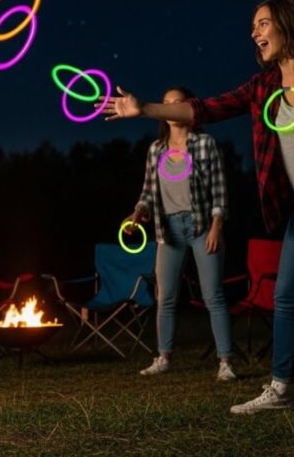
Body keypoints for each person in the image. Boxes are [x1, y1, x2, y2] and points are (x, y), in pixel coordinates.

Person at [100, 0, 294, 428]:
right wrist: (145, 109)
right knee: (285, 295)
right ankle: (281, 389)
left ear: (288, 24)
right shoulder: (263, 87)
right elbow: (205, 108)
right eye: (253, 26)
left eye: (263, 23)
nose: (254, 32)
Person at [126, 86, 236, 382]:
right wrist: (138, 212)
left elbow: (219, 191)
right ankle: (163, 357)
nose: (171, 108)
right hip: (168, 230)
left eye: (177, 103)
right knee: (166, 297)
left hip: (201, 226)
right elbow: (148, 192)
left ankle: (225, 362)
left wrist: (216, 226)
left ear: (189, 107)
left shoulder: (205, 144)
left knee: (213, 295)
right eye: (166, 104)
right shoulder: (156, 149)